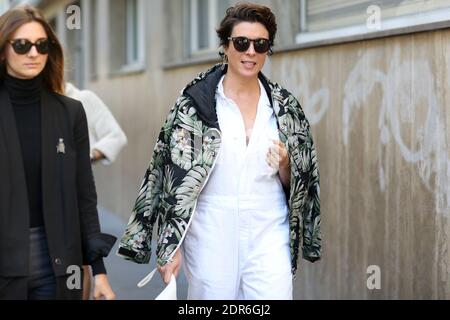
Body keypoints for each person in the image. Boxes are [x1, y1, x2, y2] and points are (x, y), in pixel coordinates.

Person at [118, 3, 321, 300]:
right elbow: (166, 173)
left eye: (260, 44)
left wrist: (286, 165)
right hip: (211, 230)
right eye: (242, 42)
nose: (250, 51)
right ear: (225, 46)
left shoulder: (286, 108)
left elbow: (305, 181)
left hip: (269, 228)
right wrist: (169, 246)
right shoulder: (195, 104)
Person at [0, 5, 116, 300]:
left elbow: (84, 196)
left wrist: (99, 271)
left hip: (58, 263)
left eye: (42, 45)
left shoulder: (69, 112)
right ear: (3, 50)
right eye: (22, 45)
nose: (33, 53)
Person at [65, 83, 127, 299]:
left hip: (76, 194)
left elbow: (116, 136)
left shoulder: (82, 99)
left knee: (79, 261)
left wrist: (85, 157)